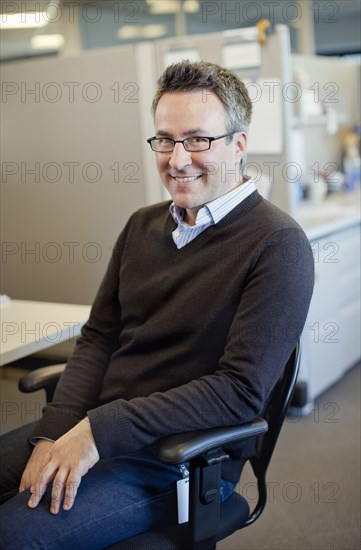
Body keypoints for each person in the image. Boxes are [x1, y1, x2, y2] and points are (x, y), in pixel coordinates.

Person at [0, 60, 314, 549]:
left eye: (197, 139)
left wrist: (98, 433)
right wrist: (54, 432)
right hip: (95, 430)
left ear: (238, 144)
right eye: (165, 140)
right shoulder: (141, 226)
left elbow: (239, 392)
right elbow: (99, 338)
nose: (177, 158)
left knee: (13, 534)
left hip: (176, 460)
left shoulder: (278, 245)